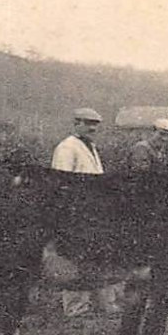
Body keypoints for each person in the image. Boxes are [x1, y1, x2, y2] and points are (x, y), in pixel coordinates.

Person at [49, 107, 111, 317]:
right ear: (76, 124)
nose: (92, 128)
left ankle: (100, 304)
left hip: (94, 212)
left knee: (95, 258)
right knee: (74, 260)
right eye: (87, 123)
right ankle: (76, 308)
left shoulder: (90, 147)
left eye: (95, 124)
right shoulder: (67, 147)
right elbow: (61, 182)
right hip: (75, 213)